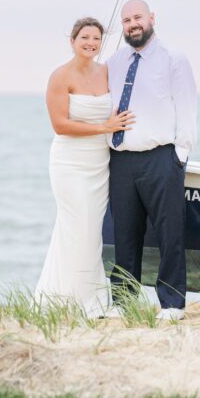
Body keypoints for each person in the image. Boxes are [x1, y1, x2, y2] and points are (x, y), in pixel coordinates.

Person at [35, 17, 134, 318]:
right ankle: (79, 303)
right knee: (77, 225)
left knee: (91, 231)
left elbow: (120, 104)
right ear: (72, 41)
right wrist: (104, 127)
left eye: (96, 39)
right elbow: (60, 125)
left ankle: (82, 298)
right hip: (69, 163)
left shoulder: (106, 72)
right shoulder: (60, 76)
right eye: (85, 38)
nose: (91, 43)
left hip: (99, 163)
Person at [107, 0, 197, 321]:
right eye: (127, 19)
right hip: (121, 160)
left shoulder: (174, 59)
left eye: (138, 17)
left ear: (152, 18)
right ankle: (122, 302)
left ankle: (172, 304)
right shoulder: (114, 62)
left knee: (169, 233)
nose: (133, 24)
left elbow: (186, 107)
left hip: (162, 158)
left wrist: (180, 155)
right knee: (124, 235)